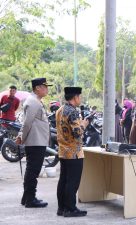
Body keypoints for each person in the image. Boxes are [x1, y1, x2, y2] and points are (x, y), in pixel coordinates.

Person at [16, 78, 52, 208]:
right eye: (45, 86)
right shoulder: (33, 102)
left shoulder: (35, 101)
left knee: (32, 170)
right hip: (35, 141)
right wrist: (22, 137)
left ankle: (26, 198)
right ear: (38, 88)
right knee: (33, 171)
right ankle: (30, 199)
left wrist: (21, 136)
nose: (47, 89)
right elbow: (27, 123)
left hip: (37, 141)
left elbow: (27, 122)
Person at [56, 87, 89, 217]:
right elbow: (77, 132)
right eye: (79, 96)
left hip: (63, 150)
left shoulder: (60, 110)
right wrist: (84, 124)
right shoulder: (73, 112)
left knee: (63, 180)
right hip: (74, 152)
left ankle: (62, 208)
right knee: (72, 182)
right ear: (75, 97)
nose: (80, 99)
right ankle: (70, 209)